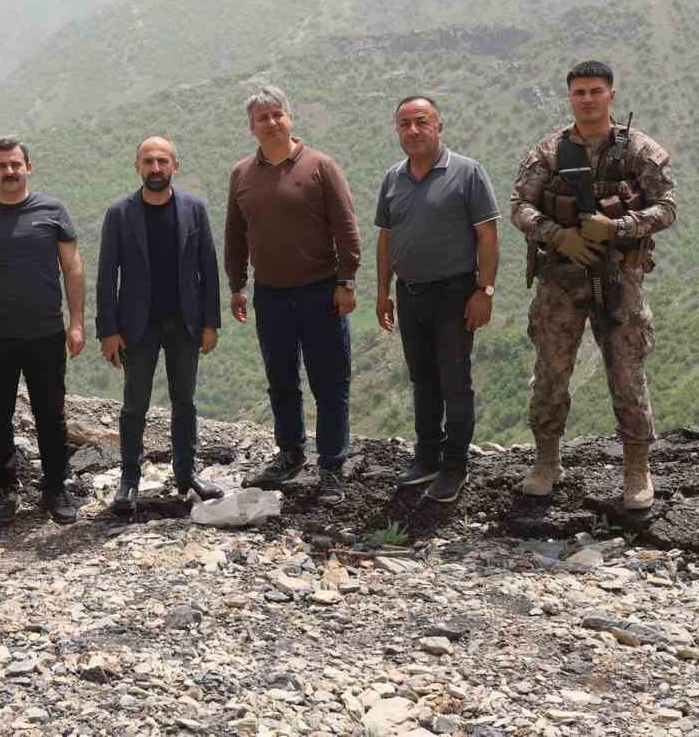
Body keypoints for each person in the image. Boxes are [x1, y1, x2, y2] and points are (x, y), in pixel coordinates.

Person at [510, 60, 676, 511]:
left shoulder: (639, 150)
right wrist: (557, 234)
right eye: (579, 92)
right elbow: (519, 207)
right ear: (570, 98)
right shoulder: (548, 151)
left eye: (595, 91)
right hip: (561, 281)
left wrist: (620, 227)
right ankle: (547, 462)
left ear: (611, 96)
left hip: (619, 277)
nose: (587, 99)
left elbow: (667, 207)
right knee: (550, 372)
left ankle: (637, 468)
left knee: (626, 372)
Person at [225, 84, 362, 505]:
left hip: (322, 291)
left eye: (276, 114)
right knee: (281, 380)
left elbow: (346, 228)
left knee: (329, 381)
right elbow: (235, 236)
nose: (270, 122)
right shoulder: (242, 175)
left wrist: (347, 281)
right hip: (270, 294)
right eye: (261, 117)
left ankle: (332, 466)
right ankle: (290, 454)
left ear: (290, 118)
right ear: (251, 127)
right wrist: (237, 286)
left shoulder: (321, 167)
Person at [373, 97, 500, 504]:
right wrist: (382, 291)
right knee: (422, 379)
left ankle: (454, 465)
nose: (413, 130)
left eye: (421, 122)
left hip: (454, 293)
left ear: (439, 126)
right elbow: (386, 237)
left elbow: (488, 236)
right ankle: (426, 456)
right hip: (409, 293)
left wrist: (485, 290)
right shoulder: (393, 177)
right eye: (405, 124)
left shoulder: (467, 172)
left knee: (454, 381)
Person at [0, 137, 85, 524]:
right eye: (1, 166)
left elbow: (73, 268)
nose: (9, 172)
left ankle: (55, 487)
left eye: (15, 164)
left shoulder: (53, 211)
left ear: (29, 167)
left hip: (46, 332)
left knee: (51, 413)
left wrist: (76, 323)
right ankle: (4, 488)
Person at [97, 136, 225, 513]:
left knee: (185, 402)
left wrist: (210, 323)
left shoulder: (194, 210)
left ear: (175, 166)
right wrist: (107, 330)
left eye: (162, 161)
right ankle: (129, 480)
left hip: (186, 323)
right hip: (137, 326)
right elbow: (107, 276)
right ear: (138, 166)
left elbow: (209, 269)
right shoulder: (119, 214)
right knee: (134, 405)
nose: (156, 168)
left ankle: (186, 476)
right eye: (149, 161)